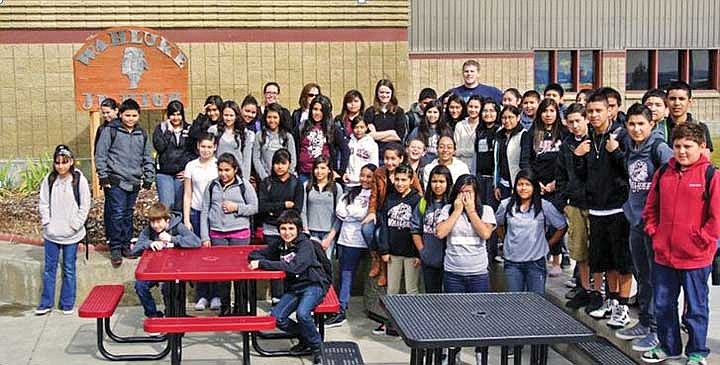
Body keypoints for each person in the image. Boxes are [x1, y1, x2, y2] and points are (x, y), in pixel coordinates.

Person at [641, 123, 719, 365]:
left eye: (688, 146)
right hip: (664, 254)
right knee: (664, 304)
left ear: (702, 147)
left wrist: (702, 239)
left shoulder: (711, 175)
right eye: (677, 146)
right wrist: (655, 231)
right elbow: (651, 208)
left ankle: (697, 351)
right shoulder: (664, 172)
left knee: (696, 307)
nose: (682, 151)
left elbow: (716, 217)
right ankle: (669, 346)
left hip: (695, 256)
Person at [615, 104, 672, 351]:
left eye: (641, 124)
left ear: (652, 124)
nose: (637, 129)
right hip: (635, 221)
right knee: (642, 276)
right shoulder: (631, 147)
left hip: (654, 225)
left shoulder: (660, 149)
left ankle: (660, 330)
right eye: (632, 124)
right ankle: (646, 322)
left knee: (657, 277)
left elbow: (673, 183)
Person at [573, 92, 633, 326]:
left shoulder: (621, 136)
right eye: (590, 111)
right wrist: (578, 157)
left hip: (617, 209)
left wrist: (616, 152)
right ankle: (611, 299)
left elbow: (631, 170)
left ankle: (623, 306)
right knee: (603, 260)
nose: (594, 115)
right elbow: (582, 176)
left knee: (622, 262)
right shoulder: (588, 140)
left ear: (610, 110)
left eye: (599, 110)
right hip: (596, 210)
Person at [249, 210, 330, 365]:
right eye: (283, 229)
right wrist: (258, 258)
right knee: (277, 317)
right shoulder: (280, 244)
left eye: (291, 229)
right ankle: (306, 336)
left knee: (303, 314)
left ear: (298, 229)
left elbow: (296, 267)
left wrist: (262, 264)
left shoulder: (305, 245)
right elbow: (258, 254)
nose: (287, 233)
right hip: (295, 288)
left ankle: (318, 348)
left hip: (313, 285)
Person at [435, 174, 497, 365]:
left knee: (480, 317)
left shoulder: (485, 210)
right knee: (453, 317)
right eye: (461, 192)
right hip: (453, 272)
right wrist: (457, 211)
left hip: (477, 273)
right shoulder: (447, 209)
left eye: (469, 192)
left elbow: (485, 233)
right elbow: (441, 232)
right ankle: (453, 353)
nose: (465, 196)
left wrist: (471, 212)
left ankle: (480, 354)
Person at [95, 98, 154, 267]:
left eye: (134, 115)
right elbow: (101, 154)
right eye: (127, 115)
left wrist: (149, 176)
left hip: (134, 180)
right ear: (120, 115)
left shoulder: (141, 133)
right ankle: (115, 247)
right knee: (117, 213)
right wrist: (103, 176)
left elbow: (147, 156)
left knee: (128, 213)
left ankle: (126, 244)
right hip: (116, 179)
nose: (130, 118)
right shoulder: (111, 131)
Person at [36, 145, 91, 315]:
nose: (61, 166)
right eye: (57, 163)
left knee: (68, 267)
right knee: (49, 268)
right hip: (52, 233)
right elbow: (43, 203)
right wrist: (47, 223)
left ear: (71, 162)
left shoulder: (78, 179)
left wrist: (75, 224)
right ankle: (46, 303)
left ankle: (67, 303)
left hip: (72, 234)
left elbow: (85, 204)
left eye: (64, 162)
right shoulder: (49, 179)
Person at [200, 153, 258, 314]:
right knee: (222, 275)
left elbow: (254, 207)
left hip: (239, 234)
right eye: (220, 170)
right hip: (217, 235)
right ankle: (225, 307)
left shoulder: (243, 185)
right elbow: (205, 210)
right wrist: (205, 236)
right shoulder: (212, 186)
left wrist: (237, 208)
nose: (223, 174)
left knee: (240, 274)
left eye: (227, 170)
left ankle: (241, 307)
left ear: (235, 170)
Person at [495, 169, 566, 294]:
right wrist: (505, 239)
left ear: (534, 187)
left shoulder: (544, 206)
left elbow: (561, 226)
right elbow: (497, 224)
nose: (523, 188)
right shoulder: (506, 205)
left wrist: (548, 244)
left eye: (527, 185)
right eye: (520, 184)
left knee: (536, 303)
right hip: (512, 263)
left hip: (536, 263)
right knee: (514, 302)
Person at [325, 163, 377, 328]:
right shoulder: (351, 192)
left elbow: (364, 214)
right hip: (347, 240)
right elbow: (340, 212)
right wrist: (355, 214)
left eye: (369, 176)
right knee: (345, 274)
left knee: (372, 278)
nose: (365, 179)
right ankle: (341, 310)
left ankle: (375, 311)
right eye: (363, 175)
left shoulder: (375, 195)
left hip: (367, 242)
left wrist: (353, 213)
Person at [366, 143, 424, 287]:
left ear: (401, 159)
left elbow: (418, 191)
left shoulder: (407, 172)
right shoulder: (379, 173)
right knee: (367, 229)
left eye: (393, 158)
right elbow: (373, 195)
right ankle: (377, 259)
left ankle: (385, 268)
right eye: (386, 158)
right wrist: (371, 212)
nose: (389, 162)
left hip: (401, 212)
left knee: (380, 234)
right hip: (383, 209)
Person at [374, 164, 422, 336]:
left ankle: (412, 323)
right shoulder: (390, 198)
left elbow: (419, 228)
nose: (400, 183)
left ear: (411, 181)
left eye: (404, 180)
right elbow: (385, 226)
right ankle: (392, 323)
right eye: (397, 179)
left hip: (411, 253)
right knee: (392, 289)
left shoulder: (417, 200)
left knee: (411, 289)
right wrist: (384, 250)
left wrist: (419, 253)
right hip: (393, 252)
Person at [131, 203, 200, 318]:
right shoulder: (149, 230)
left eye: (159, 222)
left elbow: (195, 241)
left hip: (175, 268)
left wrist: (173, 239)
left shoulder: (178, 226)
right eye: (153, 222)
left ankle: (172, 315)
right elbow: (136, 249)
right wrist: (150, 243)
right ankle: (153, 314)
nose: (155, 225)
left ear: (167, 220)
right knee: (140, 286)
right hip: (155, 269)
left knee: (168, 289)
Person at [258, 149, 305, 303]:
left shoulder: (296, 183)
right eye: (277, 163)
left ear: (289, 164)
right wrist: (284, 205)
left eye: (283, 163)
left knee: (291, 263)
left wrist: (275, 211)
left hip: (290, 231)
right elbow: (262, 206)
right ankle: (276, 297)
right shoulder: (267, 182)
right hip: (271, 229)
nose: (279, 167)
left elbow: (297, 209)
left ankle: (291, 296)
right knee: (275, 262)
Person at [558, 104, 593, 309]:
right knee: (579, 249)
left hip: (595, 203)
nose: (574, 125)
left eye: (578, 121)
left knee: (595, 248)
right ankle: (584, 287)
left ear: (586, 119)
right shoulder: (567, 144)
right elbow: (561, 174)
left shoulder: (595, 141)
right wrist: (564, 202)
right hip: (574, 203)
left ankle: (597, 291)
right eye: (570, 122)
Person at [526, 98, 565, 276]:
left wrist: (555, 183)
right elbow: (526, 161)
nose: (548, 115)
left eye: (552, 111)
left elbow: (567, 161)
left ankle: (556, 259)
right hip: (538, 185)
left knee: (556, 223)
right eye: (545, 111)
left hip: (557, 185)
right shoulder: (532, 133)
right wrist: (536, 183)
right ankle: (539, 257)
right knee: (538, 223)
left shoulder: (563, 133)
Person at [182, 133, 220, 311]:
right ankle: (202, 295)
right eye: (203, 146)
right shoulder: (191, 166)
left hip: (214, 214)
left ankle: (216, 295)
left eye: (209, 147)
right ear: (198, 146)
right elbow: (188, 193)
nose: (206, 150)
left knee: (215, 256)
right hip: (197, 213)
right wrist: (187, 218)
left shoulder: (218, 165)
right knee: (200, 256)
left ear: (215, 147)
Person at [411, 165, 453, 294]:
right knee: (432, 295)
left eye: (441, 181)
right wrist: (422, 250)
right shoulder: (424, 202)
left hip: (450, 259)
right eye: (434, 181)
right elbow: (415, 228)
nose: (438, 185)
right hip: (429, 258)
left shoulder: (452, 203)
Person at [153, 100, 195, 214]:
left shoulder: (189, 129)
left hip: (181, 173)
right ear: (168, 115)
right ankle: (165, 231)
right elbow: (159, 147)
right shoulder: (160, 128)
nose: (176, 118)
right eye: (172, 114)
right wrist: (168, 132)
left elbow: (194, 151)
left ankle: (179, 230)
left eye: (178, 114)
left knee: (179, 206)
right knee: (166, 206)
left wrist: (187, 169)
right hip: (164, 173)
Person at [296, 94, 348, 184]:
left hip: (324, 175)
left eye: (321, 110)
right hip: (304, 173)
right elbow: (296, 148)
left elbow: (345, 150)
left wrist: (340, 172)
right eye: (315, 109)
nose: (317, 113)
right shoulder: (302, 126)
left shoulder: (333, 128)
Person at [302, 156, 343, 261]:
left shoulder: (336, 188)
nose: (319, 171)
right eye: (317, 168)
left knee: (326, 263)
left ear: (329, 170)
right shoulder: (307, 186)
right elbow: (303, 211)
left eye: (323, 168)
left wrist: (330, 237)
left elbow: (339, 214)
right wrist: (306, 232)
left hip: (328, 232)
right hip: (311, 231)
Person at [209, 100, 255, 180]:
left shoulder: (245, 133)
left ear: (236, 116)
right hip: (218, 173)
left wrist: (245, 180)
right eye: (226, 115)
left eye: (231, 115)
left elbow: (247, 159)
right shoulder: (213, 130)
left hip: (237, 174)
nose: (228, 118)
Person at [665, 81, 714, 154]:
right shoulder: (660, 127)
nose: (677, 103)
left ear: (690, 101)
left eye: (681, 99)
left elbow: (705, 159)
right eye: (672, 99)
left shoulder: (700, 127)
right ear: (666, 101)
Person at [493, 105, 530, 202]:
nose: (507, 120)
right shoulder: (499, 136)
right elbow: (497, 162)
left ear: (518, 118)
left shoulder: (523, 134)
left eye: (510, 117)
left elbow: (525, 162)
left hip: (518, 184)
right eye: (504, 118)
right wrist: (496, 185)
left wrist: (521, 184)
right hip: (503, 184)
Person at [253, 102, 297, 181]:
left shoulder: (287, 137)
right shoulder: (259, 135)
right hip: (266, 179)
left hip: (284, 180)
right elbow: (256, 159)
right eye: (269, 117)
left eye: (275, 117)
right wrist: (265, 178)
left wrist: (285, 177)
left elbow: (293, 160)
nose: (272, 120)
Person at [364, 79, 407, 159]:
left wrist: (376, 134)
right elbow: (368, 135)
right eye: (381, 92)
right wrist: (391, 132)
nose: (384, 95)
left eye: (387, 93)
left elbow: (399, 136)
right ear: (377, 93)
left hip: (394, 153)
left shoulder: (398, 111)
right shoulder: (370, 111)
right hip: (375, 152)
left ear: (392, 94)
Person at [407, 100, 451, 165]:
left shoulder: (446, 130)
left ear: (440, 114)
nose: (432, 115)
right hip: (422, 165)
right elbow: (409, 147)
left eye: (435, 112)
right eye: (429, 112)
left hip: (440, 165)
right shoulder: (418, 130)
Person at [344, 117, 379, 186]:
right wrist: (344, 173)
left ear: (366, 128)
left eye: (362, 127)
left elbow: (374, 165)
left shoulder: (372, 144)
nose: (359, 130)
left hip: (364, 183)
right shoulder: (348, 142)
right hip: (349, 182)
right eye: (356, 127)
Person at [454, 95, 482, 171]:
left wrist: (461, 151)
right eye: (470, 106)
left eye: (476, 107)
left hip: (477, 166)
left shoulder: (483, 126)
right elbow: (455, 149)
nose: (473, 110)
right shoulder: (460, 125)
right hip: (460, 166)